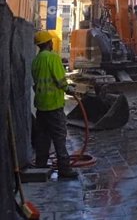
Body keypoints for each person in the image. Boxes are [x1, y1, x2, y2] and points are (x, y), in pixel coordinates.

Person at [31, 30, 78, 179]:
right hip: (53, 105)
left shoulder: (36, 60)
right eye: (51, 41)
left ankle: (41, 164)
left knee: (43, 137)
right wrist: (70, 89)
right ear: (48, 43)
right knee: (59, 137)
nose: (52, 43)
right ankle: (64, 169)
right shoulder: (53, 58)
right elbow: (60, 81)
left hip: (40, 106)